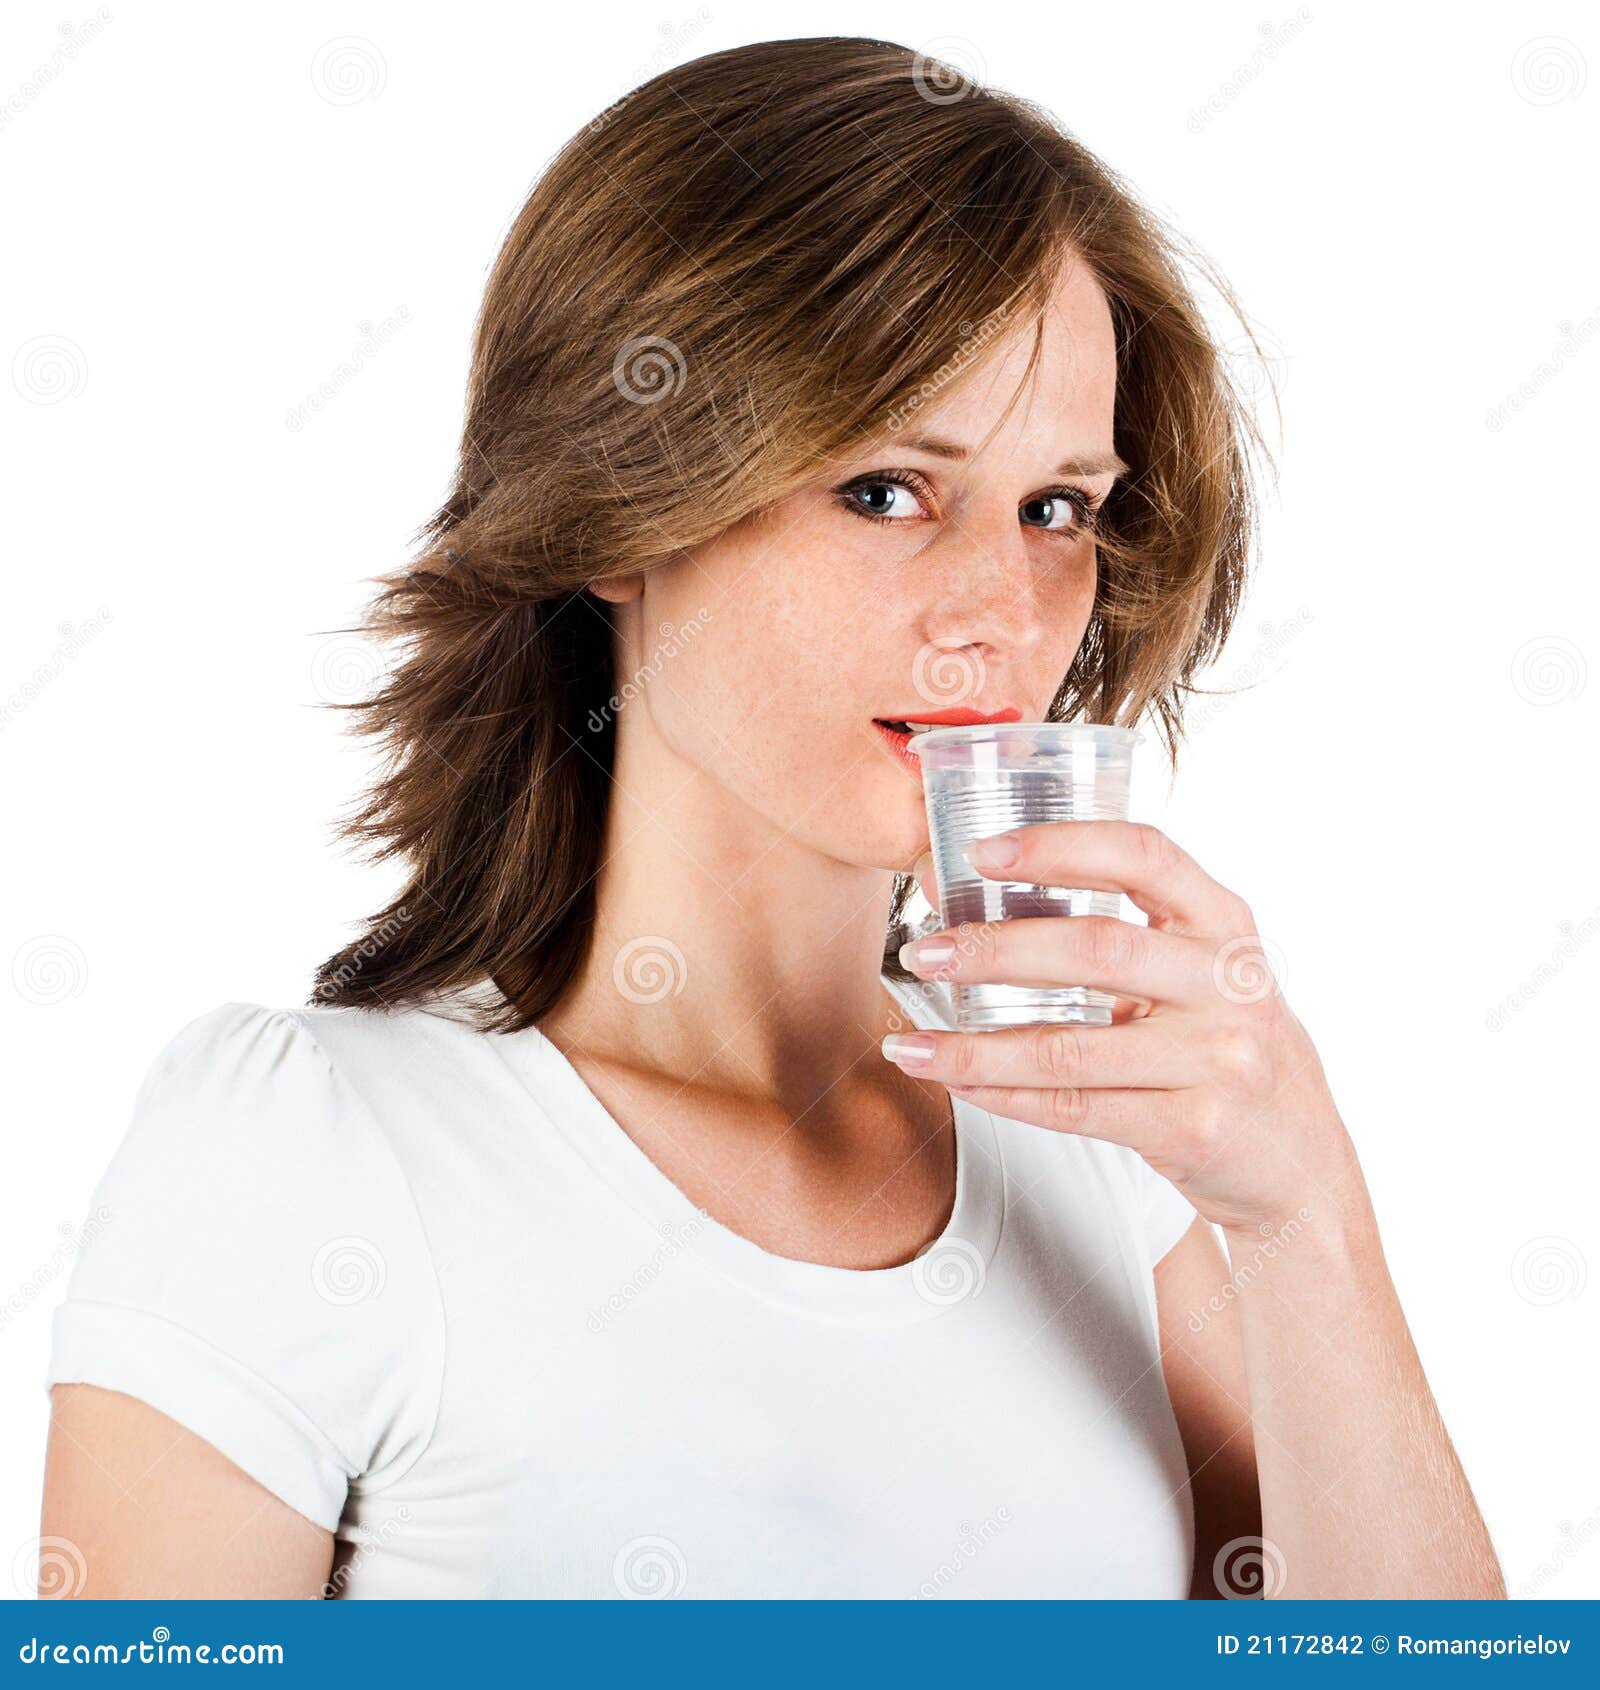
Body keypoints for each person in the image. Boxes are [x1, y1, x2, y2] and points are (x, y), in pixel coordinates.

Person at [38, 36, 1503, 1600]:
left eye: (1056, 506)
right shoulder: (313, 1149)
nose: (1006, 613)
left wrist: (1303, 1211)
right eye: (885, 489)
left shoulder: (1100, 1167)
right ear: (617, 510)